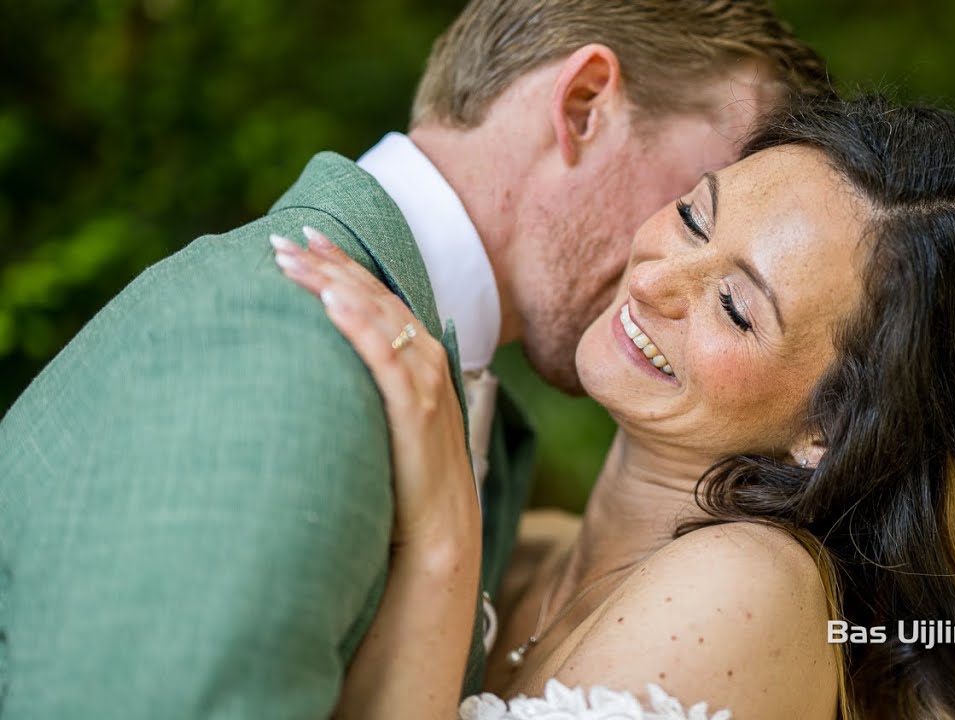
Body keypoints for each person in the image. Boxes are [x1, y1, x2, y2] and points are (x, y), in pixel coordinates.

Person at [0, 2, 829, 716]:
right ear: (582, 105)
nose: (662, 271)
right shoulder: (284, 360)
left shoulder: (427, 400)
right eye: (697, 203)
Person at [269, 93, 955, 719]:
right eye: (694, 217)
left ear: (828, 430)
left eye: (734, 305)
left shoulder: (752, 587)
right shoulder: (529, 544)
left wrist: (439, 544)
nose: (656, 279)